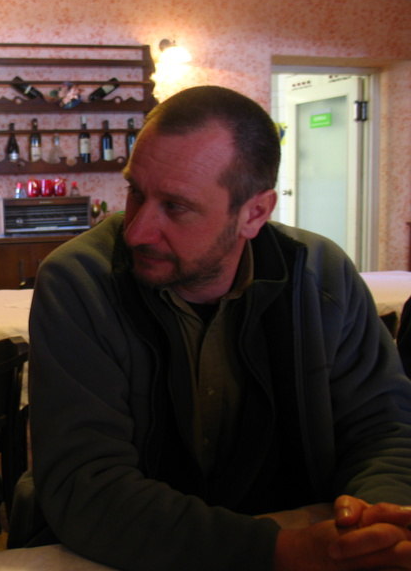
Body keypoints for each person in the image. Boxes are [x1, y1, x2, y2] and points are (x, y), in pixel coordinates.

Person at [26, 85, 411, 569]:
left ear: (255, 213)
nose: (137, 230)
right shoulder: (80, 281)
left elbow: (386, 427)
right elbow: (87, 487)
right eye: (136, 192)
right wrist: (280, 551)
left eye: (175, 206)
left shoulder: (321, 276)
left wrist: (372, 523)